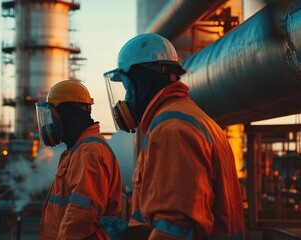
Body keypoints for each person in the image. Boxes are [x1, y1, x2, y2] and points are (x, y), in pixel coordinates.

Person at [103, 33, 244, 239]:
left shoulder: (172, 129)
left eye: (127, 86)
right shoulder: (192, 119)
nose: (126, 98)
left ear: (142, 80)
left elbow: (174, 229)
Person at [36, 80, 122, 239]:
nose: (50, 124)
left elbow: (80, 216)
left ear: (68, 114)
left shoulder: (88, 151)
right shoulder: (78, 149)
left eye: (53, 115)